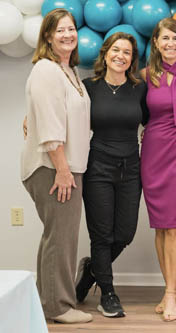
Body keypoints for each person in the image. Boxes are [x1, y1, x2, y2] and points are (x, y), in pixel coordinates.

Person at [20, 8, 92, 324]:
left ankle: (47, 299)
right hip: (53, 167)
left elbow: (54, 114)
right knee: (60, 238)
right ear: (48, 36)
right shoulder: (47, 70)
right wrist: (62, 169)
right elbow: (51, 128)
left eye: (71, 29)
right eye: (60, 30)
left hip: (67, 164)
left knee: (58, 237)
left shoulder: (68, 71)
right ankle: (57, 307)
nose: (68, 35)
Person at [74, 32, 148, 318]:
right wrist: (32, 117)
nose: (120, 56)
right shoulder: (88, 87)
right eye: (116, 50)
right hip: (98, 166)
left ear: (132, 59)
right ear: (105, 53)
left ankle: (91, 271)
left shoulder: (139, 89)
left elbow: (154, 121)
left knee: (125, 233)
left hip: (131, 167)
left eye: (127, 52)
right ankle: (108, 292)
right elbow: (65, 112)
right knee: (101, 235)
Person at [140, 18, 176, 322]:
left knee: (173, 224)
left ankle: (171, 293)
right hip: (153, 153)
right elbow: (125, 108)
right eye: (165, 38)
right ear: (156, 43)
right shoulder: (145, 75)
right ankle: (169, 287)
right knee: (161, 225)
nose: (171, 44)